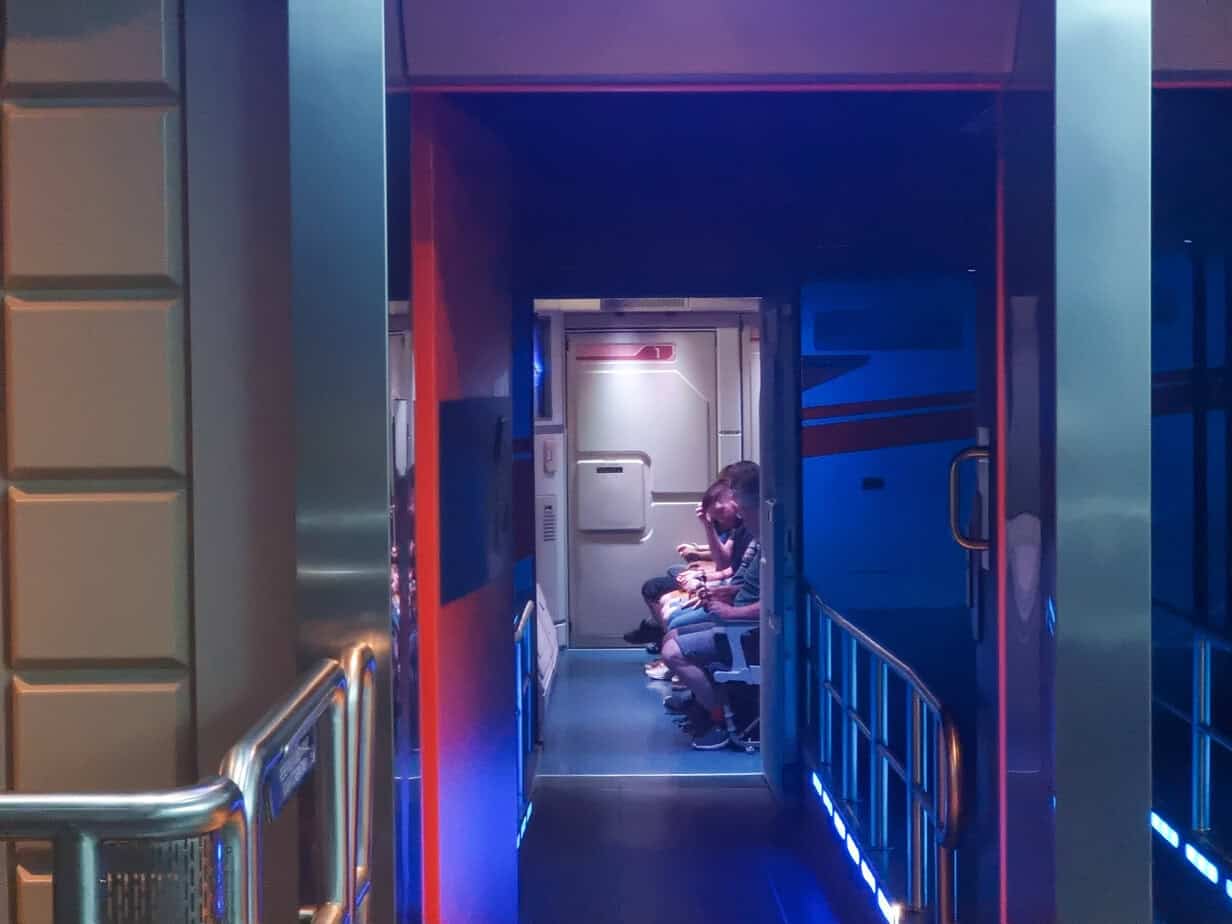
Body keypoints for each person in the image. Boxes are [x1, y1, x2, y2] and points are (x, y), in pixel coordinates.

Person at [660, 463, 761, 749]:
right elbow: (747, 583)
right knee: (671, 636)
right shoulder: (760, 538)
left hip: (745, 631)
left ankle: (719, 720)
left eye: (739, 503)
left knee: (672, 650)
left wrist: (732, 611)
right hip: (735, 620)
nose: (738, 512)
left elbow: (776, 601)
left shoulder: (769, 542)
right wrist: (728, 592)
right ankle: (706, 708)